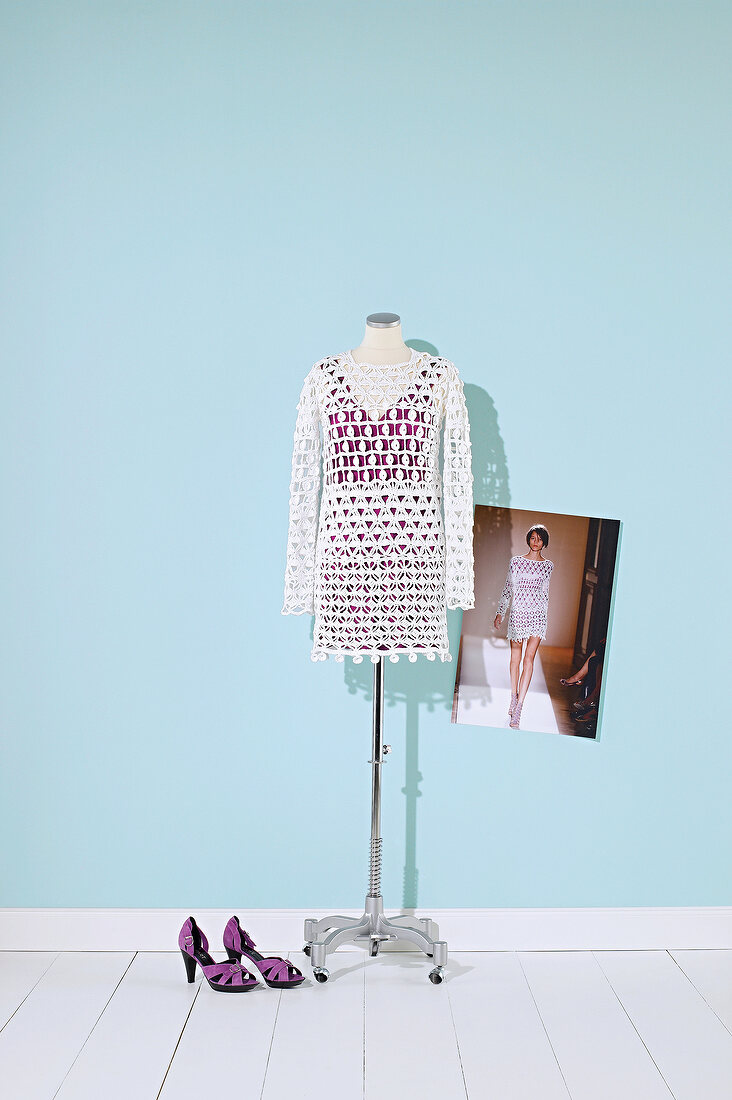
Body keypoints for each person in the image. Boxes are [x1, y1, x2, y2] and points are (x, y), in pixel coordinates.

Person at [494, 525, 554, 729]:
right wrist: (500, 611)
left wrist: (544, 619)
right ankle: (513, 696)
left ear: (544, 542)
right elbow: (508, 587)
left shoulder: (547, 566)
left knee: (529, 659)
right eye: (532, 538)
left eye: (539, 539)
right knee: (515, 659)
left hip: (537, 616)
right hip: (518, 614)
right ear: (528, 540)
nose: (535, 542)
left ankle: (519, 707)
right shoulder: (516, 562)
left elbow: (545, 594)